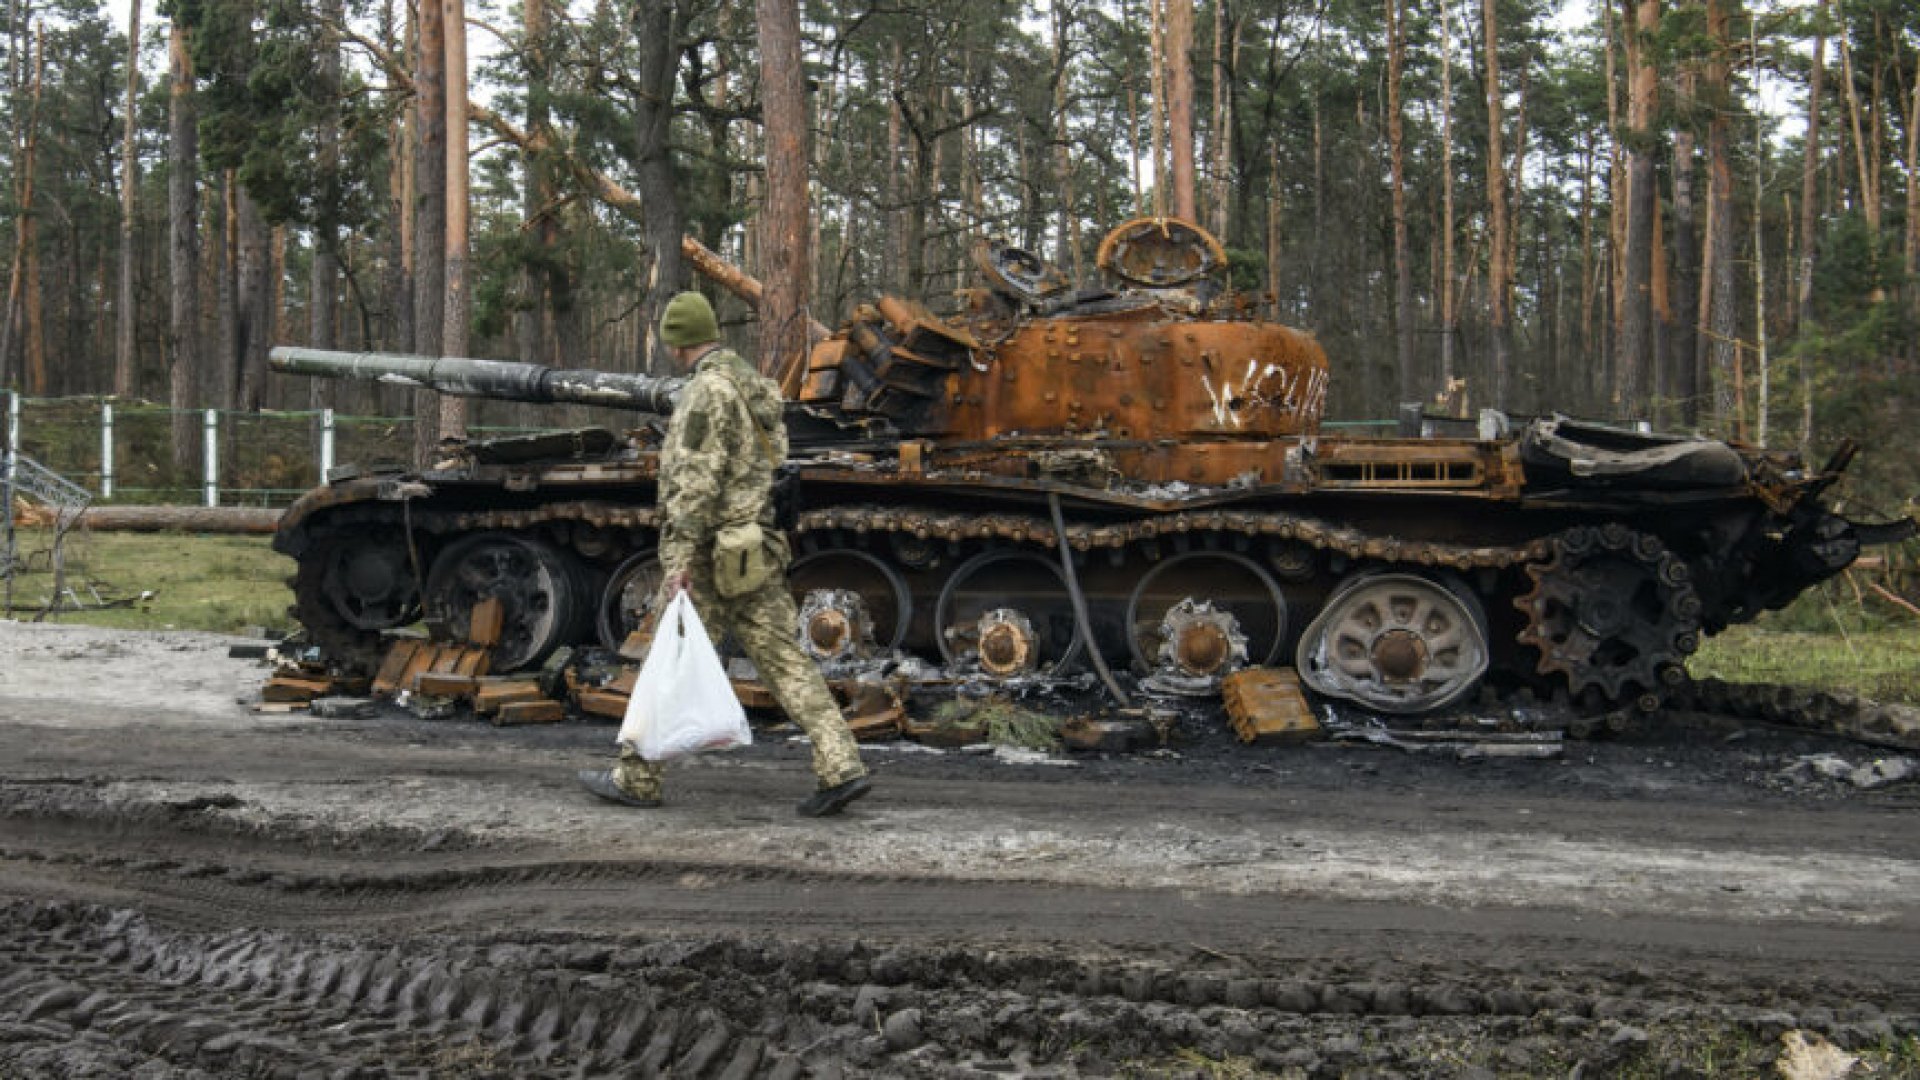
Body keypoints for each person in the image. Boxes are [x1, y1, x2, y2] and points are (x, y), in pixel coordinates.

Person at [578, 291, 873, 817]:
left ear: (677, 342)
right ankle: (841, 763)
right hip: (754, 547)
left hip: (713, 555)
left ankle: (637, 777)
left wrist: (679, 563)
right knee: (785, 660)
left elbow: (694, 482)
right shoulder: (750, 387)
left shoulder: (704, 394)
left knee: (670, 656)